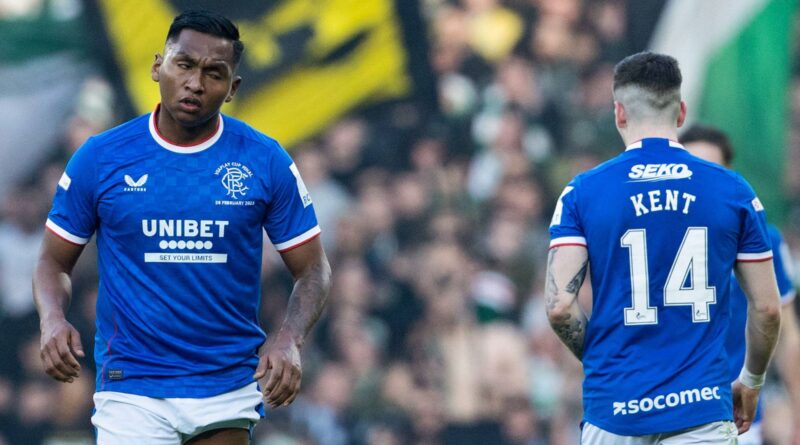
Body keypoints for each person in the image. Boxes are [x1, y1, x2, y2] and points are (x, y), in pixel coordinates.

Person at [32, 10, 331, 445]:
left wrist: (289, 339)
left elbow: (314, 269)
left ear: (233, 88)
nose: (195, 82)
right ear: (158, 67)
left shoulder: (264, 160)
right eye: (184, 64)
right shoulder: (101, 157)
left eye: (214, 73)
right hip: (131, 386)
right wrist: (52, 320)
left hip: (226, 384)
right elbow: (51, 261)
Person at [545, 51, 782, 444]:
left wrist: (607, 363)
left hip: (614, 412)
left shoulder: (582, 192)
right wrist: (751, 381)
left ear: (619, 113)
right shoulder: (732, 190)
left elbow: (559, 307)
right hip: (702, 411)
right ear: (681, 111)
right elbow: (768, 308)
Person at [681, 125, 800, 445]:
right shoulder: (655, 242)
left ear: (728, 176)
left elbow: (788, 335)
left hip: (739, 419)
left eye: (712, 172)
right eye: (694, 173)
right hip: (670, 415)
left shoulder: (763, 241)